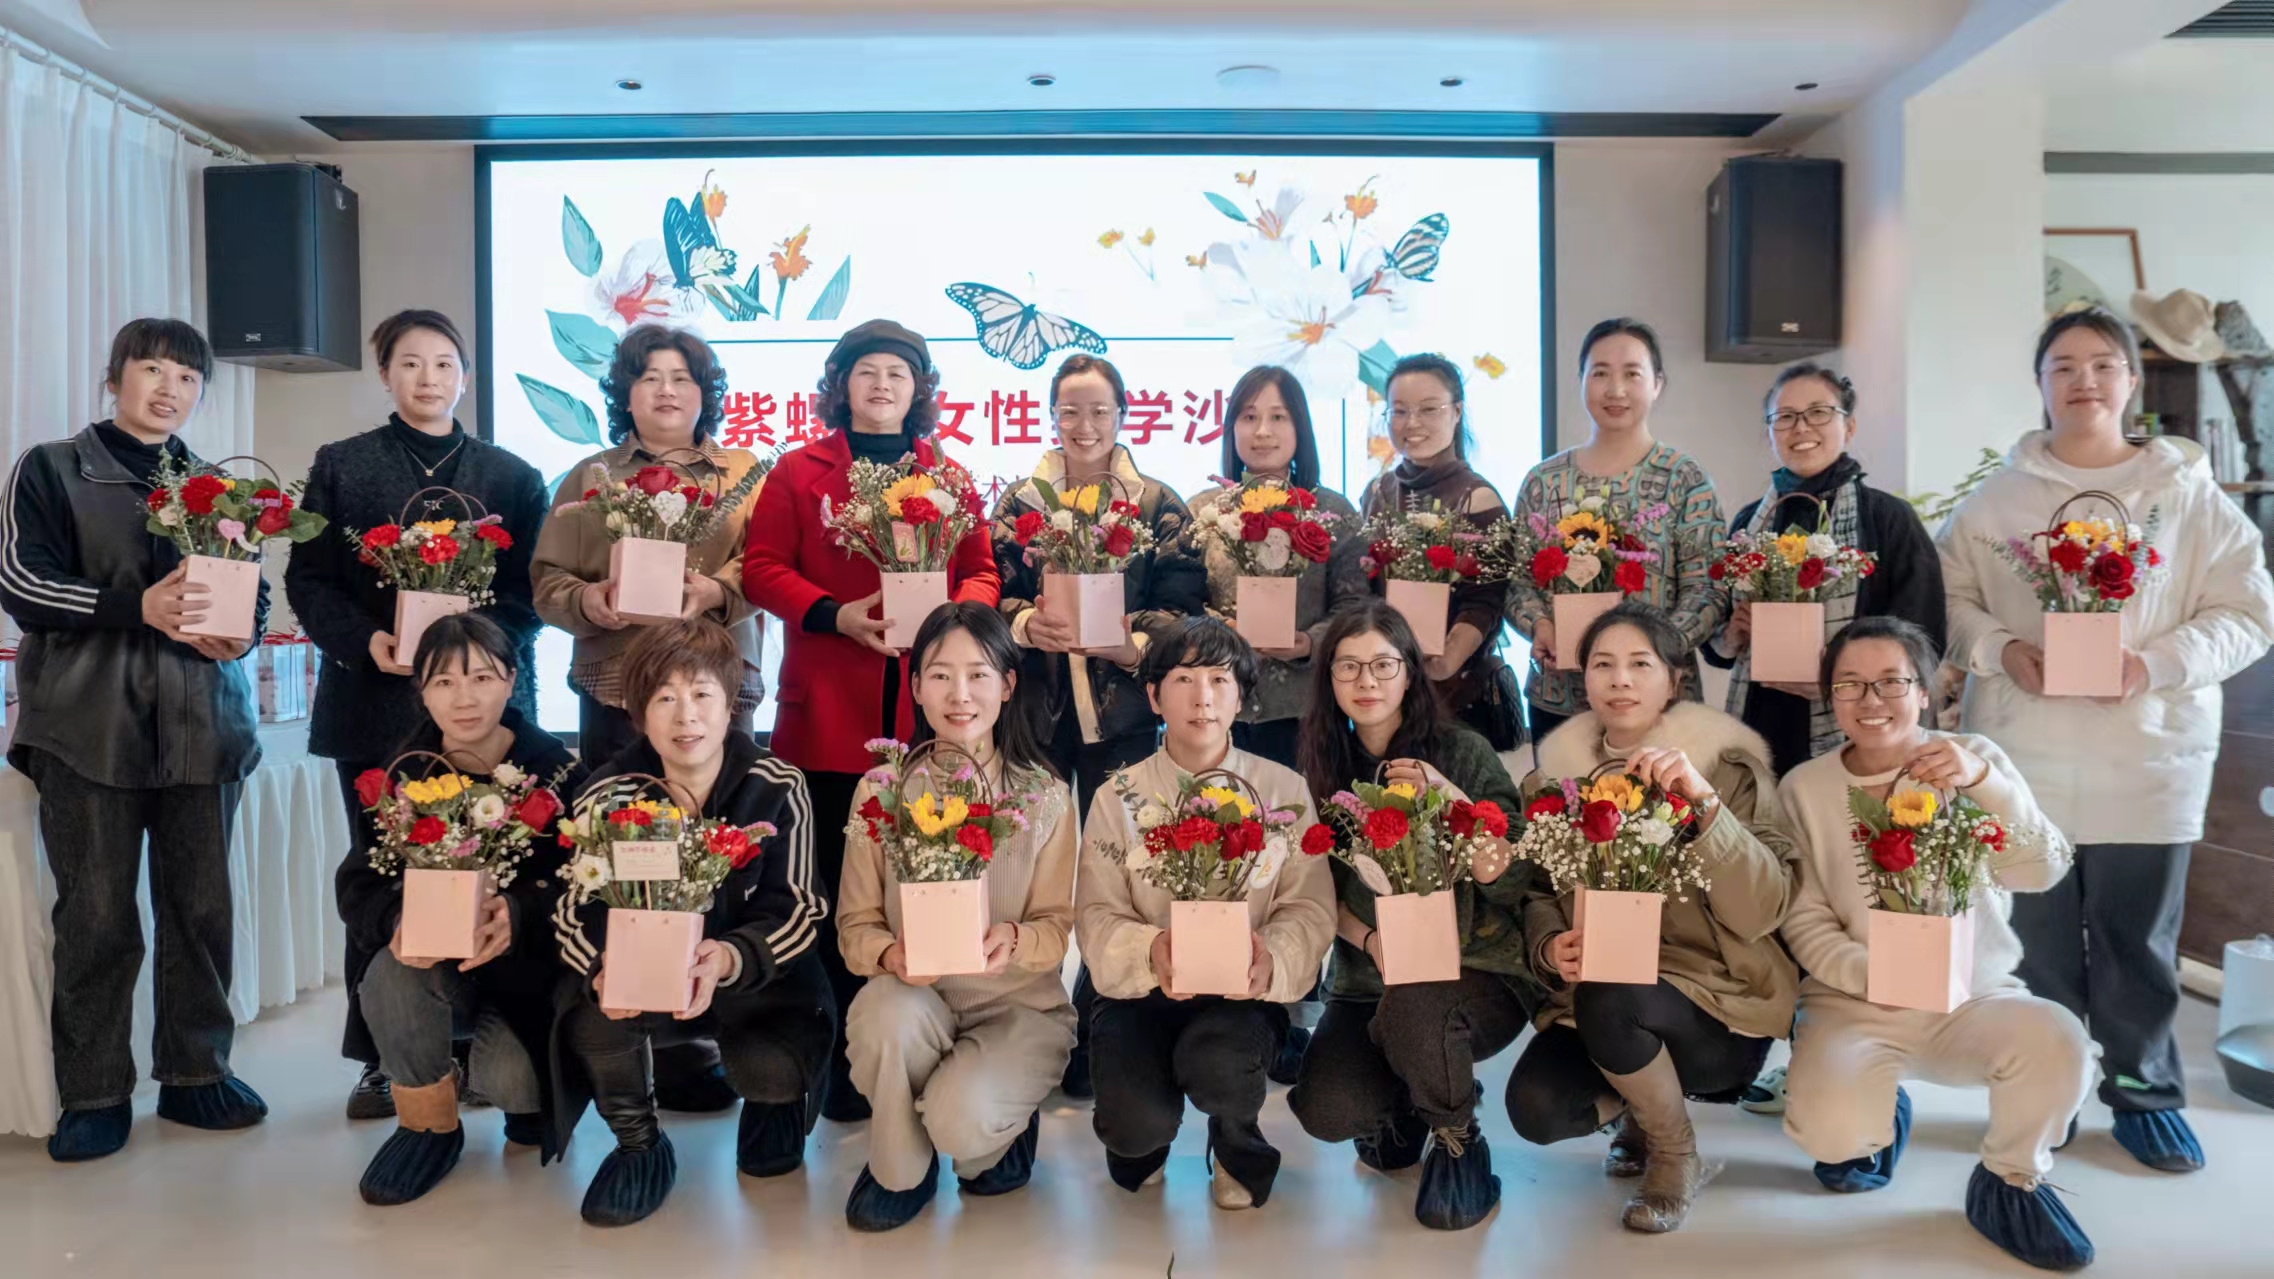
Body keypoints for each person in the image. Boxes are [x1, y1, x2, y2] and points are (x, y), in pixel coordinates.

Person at [1937, 305, 2274, 1174]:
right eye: (2063, 366)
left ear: (2131, 381)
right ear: (2040, 385)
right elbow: (1948, 600)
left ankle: (2143, 1089)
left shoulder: (2187, 496)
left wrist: (2152, 665)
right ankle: (2046, 1092)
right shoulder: (1998, 500)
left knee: (2137, 939)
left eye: (2101, 364)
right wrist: (2002, 649)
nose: (2083, 380)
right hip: (2026, 753)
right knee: (2034, 943)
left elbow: (2248, 613)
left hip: (2149, 754)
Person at [2, 318, 270, 1161]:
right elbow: (21, 581)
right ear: (114, 376)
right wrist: (135, 607)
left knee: (201, 910)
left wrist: (241, 633)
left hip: (204, 726)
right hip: (88, 727)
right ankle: (94, 1092)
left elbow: (252, 595)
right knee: (96, 915)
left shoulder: (219, 488)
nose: (169, 388)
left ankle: (196, 1072)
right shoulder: (53, 467)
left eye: (187, 377)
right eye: (152, 369)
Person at [286, 309, 549, 1121]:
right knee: (383, 873)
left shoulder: (511, 475)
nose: (428, 377)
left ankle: (480, 1040)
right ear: (384, 373)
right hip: (374, 703)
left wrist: (475, 653)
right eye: (410, 362)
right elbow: (308, 580)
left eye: (443, 363)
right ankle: (384, 1055)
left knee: (497, 868)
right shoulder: (342, 465)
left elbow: (531, 594)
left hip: (486, 709)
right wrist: (367, 641)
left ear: (465, 376)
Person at [1777, 617, 2095, 1271]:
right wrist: (1872, 974)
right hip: (1854, 1001)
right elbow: (1803, 919)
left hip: (1972, 995)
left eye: (1892, 681)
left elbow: (2042, 870)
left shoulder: (1972, 759)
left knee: (2059, 1042)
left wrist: (1983, 780)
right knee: (1831, 1135)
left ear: (1924, 691)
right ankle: (1876, 1112)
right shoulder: (1803, 787)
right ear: (1831, 696)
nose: (1871, 700)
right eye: (1850, 684)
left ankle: (2008, 1178)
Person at [743, 319, 1001, 1122]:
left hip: (928, 718)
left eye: (898, 372)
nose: (882, 384)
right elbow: (761, 569)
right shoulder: (798, 470)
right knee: (831, 892)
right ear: (842, 385)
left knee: (918, 881)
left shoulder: (948, 475)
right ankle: (842, 1056)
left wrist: (952, 622)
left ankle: (914, 1040)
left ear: (918, 388)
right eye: (867, 372)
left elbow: (983, 572)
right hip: (827, 715)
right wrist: (833, 613)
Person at [1505, 602, 1798, 1234]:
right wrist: (1550, 944)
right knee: (1537, 1108)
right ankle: (1641, 1108)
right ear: (1582, 679)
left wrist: (1706, 806)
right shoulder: (1552, 784)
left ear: (1675, 679)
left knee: (1615, 993)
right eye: (1603, 665)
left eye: (1641, 664)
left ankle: (1674, 1154)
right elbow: (1535, 892)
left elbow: (1764, 906)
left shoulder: (1726, 769)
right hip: (1596, 1002)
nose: (1621, 680)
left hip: (1714, 1005)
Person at [549, 620, 835, 1227]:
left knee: (772, 1072)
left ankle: (773, 1102)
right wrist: (602, 967)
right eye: (664, 698)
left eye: (702, 694)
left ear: (731, 705)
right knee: (593, 1014)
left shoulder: (776, 785)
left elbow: (801, 907)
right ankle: (638, 1143)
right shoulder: (606, 792)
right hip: (644, 984)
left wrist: (730, 956)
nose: (686, 717)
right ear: (638, 714)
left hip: (750, 985)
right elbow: (574, 910)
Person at [991, 352, 1207, 1098]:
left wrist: (1130, 644)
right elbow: (994, 591)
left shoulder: (1159, 505)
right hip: (1037, 716)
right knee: (1033, 869)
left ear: (1122, 416)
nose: (1084, 426)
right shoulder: (1020, 501)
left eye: (1099, 411)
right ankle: (1028, 1016)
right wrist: (1026, 623)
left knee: (1120, 867)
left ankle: (1104, 1017)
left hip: (1125, 718)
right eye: (1070, 411)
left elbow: (1186, 608)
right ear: (1051, 415)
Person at [1286, 601, 1535, 1231]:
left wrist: (1453, 802)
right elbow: (1317, 892)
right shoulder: (1320, 766)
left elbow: (1512, 880)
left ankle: (1459, 1136)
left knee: (1417, 1010)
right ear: (1328, 678)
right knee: (1329, 1111)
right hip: (1370, 979)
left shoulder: (1463, 751)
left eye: (1383, 664)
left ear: (1409, 673)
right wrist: (1371, 941)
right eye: (1348, 667)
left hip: (1476, 970)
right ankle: (1424, 1087)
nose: (1366, 681)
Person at [1074, 618, 1334, 1211]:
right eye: (1183, 679)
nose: (1203, 697)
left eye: (1220, 680)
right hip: (1143, 991)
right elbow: (1097, 912)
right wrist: (1150, 950)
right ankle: (1143, 1140)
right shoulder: (1119, 796)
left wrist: (1272, 958)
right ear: (1153, 695)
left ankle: (1237, 1141)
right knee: (1134, 1128)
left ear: (1242, 696)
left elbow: (1308, 906)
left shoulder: (1282, 789)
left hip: (1241, 995)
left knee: (1220, 1064)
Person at [835, 603, 1077, 1231]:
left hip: (1016, 1009)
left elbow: (1056, 930)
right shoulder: (882, 791)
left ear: (1008, 684)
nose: (960, 695)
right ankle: (898, 1167)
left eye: (978, 674)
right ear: (916, 687)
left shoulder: (1045, 797)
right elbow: (855, 928)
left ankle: (991, 1125)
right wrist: (889, 955)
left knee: (964, 1126)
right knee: (883, 1016)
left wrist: (1014, 939)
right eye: (941, 675)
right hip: (914, 1001)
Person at [336, 613, 586, 1205]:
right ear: (421, 690)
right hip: (437, 973)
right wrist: (397, 920)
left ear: (511, 679)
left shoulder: (555, 770)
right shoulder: (404, 774)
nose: (464, 699)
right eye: (444, 682)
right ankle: (427, 1127)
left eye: (481, 678)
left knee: (518, 1090)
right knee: (390, 975)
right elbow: (359, 883)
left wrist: (518, 915)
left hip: (528, 981)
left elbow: (584, 888)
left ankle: (495, 1072)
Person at [532, 323, 768, 764]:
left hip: (720, 680)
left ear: (705, 395)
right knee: (619, 803)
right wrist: (588, 601)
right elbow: (548, 580)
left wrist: (717, 592)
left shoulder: (744, 472)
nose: (666, 390)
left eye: (682, 378)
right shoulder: (590, 475)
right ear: (625, 395)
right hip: (614, 685)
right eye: (649, 378)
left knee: (725, 806)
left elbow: (770, 564)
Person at [1702, 364, 1947, 778]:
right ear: (1769, 432)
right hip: (1765, 720)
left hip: (1861, 724)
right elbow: (1717, 641)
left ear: (1848, 427)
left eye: (1818, 412)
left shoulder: (1887, 518)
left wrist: (1838, 681)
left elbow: (1924, 635)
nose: (1801, 427)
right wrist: (1733, 634)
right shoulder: (1750, 522)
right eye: (1785, 417)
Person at [1507, 319, 1725, 745]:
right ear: (1581, 380)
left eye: (1632, 374)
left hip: (1661, 704)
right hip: (1560, 699)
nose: (1616, 389)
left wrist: (1651, 656)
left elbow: (1708, 591)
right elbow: (1518, 584)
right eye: (1600, 373)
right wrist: (1540, 626)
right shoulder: (1543, 481)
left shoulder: (1684, 478)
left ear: (1657, 383)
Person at [1181, 364, 1365, 769]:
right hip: (1214, 711)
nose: (1262, 431)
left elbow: (1355, 608)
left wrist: (1309, 643)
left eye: (1278, 417)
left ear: (1301, 428)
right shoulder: (1202, 511)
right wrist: (1220, 628)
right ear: (1231, 429)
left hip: (1306, 714)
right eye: (1249, 417)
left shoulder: (1333, 512)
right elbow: (1180, 603)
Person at [1358, 353, 1518, 749]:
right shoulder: (1377, 492)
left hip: (1455, 694)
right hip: (1384, 689)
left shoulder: (1478, 498)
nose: (1412, 423)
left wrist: (1448, 659)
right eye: (1399, 411)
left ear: (1457, 412)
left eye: (1429, 409)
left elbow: (1488, 599)